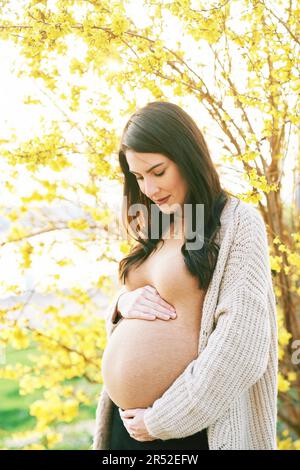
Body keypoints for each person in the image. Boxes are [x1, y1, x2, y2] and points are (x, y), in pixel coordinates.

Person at [93, 101, 278, 450]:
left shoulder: (236, 224)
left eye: (158, 171)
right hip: (130, 429)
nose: (148, 188)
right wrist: (122, 303)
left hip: (192, 431)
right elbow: (140, 314)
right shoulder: (158, 223)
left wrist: (165, 418)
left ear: (187, 157)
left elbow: (243, 344)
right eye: (139, 177)